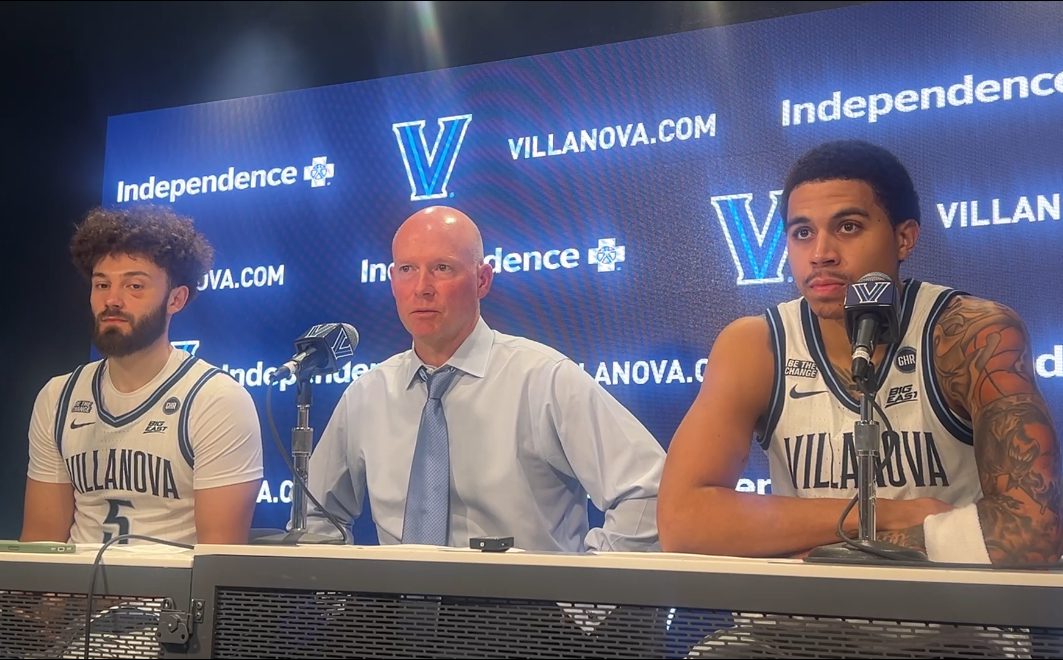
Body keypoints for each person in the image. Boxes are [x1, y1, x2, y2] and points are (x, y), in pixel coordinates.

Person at [659, 140, 1061, 564]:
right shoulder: (756, 344)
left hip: (953, 620)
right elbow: (683, 520)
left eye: (848, 226)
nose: (821, 255)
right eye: (802, 233)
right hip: (806, 625)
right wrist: (892, 516)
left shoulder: (972, 334)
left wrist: (816, 557)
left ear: (904, 238)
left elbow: (1034, 530)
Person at [304, 206, 664, 551]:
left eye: (442, 268)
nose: (422, 287)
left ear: (482, 280)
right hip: (398, 613)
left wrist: (581, 601)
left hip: (522, 611)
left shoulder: (543, 379)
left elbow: (647, 494)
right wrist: (341, 607)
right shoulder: (368, 394)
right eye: (407, 269)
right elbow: (314, 514)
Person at [21, 206, 263, 545]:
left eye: (135, 285)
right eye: (102, 284)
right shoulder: (58, 396)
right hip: (76, 596)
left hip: (172, 597)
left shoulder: (217, 399)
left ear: (176, 299)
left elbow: (218, 560)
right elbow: (41, 544)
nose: (113, 300)